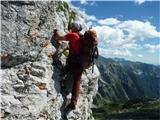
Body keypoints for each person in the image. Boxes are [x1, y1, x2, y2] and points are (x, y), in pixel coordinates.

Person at [54, 22, 83, 110]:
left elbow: (58, 37)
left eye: (71, 27)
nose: (70, 28)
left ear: (74, 28)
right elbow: (76, 47)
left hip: (74, 62)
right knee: (77, 81)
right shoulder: (79, 36)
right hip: (80, 62)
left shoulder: (72, 35)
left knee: (71, 76)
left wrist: (55, 31)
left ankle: (66, 91)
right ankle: (73, 102)